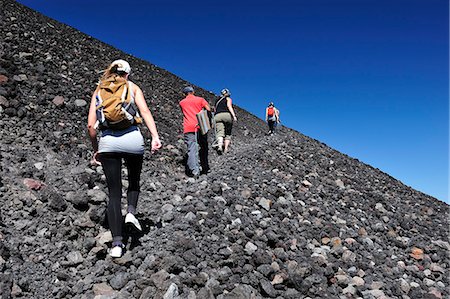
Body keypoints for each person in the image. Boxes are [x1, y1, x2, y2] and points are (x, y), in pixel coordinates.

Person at [87, 59, 162, 258]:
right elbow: (144, 111)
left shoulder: (99, 90)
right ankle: (130, 212)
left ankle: (117, 244)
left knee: (113, 193)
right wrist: (154, 137)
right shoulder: (132, 87)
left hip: (108, 143)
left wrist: (97, 150)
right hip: (132, 140)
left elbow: (90, 126)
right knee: (134, 180)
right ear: (127, 74)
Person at [179, 86, 211, 177]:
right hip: (200, 126)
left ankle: (194, 171)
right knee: (203, 146)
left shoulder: (182, 102)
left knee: (191, 148)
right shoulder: (200, 99)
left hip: (188, 127)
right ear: (193, 92)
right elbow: (208, 109)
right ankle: (205, 167)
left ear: (184, 94)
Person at [213, 88, 237, 154]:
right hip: (226, 115)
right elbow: (229, 106)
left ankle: (220, 146)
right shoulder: (228, 99)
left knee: (220, 131)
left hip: (217, 116)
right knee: (227, 133)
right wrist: (234, 116)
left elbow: (215, 110)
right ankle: (226, 148)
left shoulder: (217, 100)